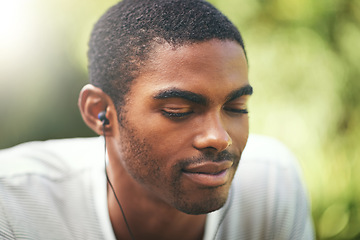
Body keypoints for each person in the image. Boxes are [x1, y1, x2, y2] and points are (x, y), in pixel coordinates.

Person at [0, 0, 314, 239]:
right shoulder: (14, 203)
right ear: (100, 112)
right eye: (178, 110)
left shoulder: (272, 185)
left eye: (236, 107)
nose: (219, 137)